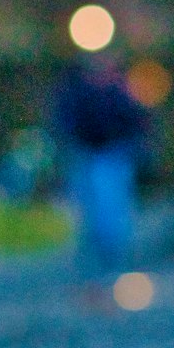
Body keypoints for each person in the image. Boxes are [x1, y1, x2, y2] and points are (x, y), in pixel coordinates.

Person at [52, 56, 150, 284]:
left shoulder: (119, 92)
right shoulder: (79, 91)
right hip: (86, 156)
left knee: (113, 207)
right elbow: (66, 121)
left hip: (113, 157)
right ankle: (96, 253)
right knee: (92, 208)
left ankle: (112, 254)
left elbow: (136, 122)